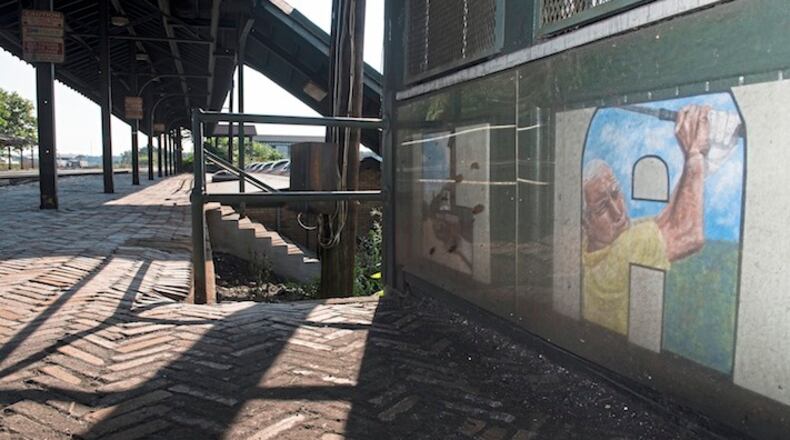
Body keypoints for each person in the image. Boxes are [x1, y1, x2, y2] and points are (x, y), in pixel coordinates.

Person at [581, 105, 711, 334]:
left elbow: (667, 218)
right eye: (601, 208)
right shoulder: (622, 251)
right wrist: (694, 155)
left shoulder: (593, 250)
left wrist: (693, 154)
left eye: (615, 193)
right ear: (586, 224)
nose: (617, 212)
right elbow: (689, 233)